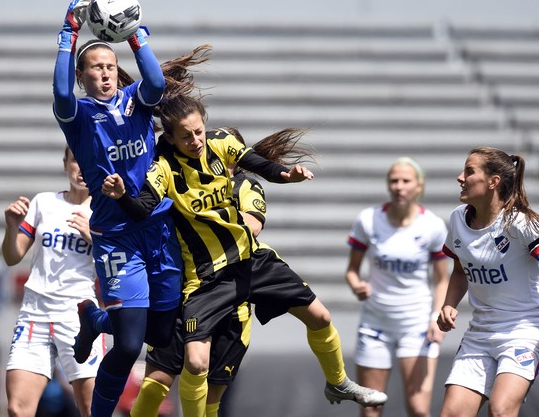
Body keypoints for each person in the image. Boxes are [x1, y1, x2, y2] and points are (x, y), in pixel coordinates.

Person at [100, 44, 388, 416]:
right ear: (169, 137)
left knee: (320, 316)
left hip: (252, 261)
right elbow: (142, 208)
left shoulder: (222, 143)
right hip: (206, 278)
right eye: (186, 136)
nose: (196, 140)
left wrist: (287, 174)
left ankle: (337, 382)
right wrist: (123, 196)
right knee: (195, 363)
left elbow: (259, 165)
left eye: (199, 131)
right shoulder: (164, 167)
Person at [53, 0, 183, 417]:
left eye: (110, 66)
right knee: (129, 346)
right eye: (96, 67)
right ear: (82, 76)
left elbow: (158, 85)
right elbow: (58, 89)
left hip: (158, 227)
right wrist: (69, 33)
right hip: (117, 240)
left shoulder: (135, 101)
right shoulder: (78, 114)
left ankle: (95, 320)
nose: (106, 73)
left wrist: (135, 35)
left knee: (160, 334)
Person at [129, 126, 310, 417]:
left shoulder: (245, 186)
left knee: (214, 393)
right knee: (156, 381)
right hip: (180, 292)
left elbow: (252, 226)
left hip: (229, 301)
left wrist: (209, 216)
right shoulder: (181, 179)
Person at [436, 146, 539, 417]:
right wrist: (448, 304)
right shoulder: (458, 219)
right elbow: (459, 270)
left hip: (523, 331)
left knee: (501, 410)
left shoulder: (520, 223)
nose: (460, 177)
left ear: (493, 182)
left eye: (469, 171)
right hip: (479, 333)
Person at [1, 146, 104, 417]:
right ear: (65, 164)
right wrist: (11, 228)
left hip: (78, 315)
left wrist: (94, 237)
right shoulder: (43, 203)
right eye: (75, 161)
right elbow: (13, 256)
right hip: (35, 313)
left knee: (92, 408)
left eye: (89, 162)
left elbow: (119, 262)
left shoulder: (105, 211)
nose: (81, 169)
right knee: (17, 408)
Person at [345, 157, 449, 417]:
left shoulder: (433, 225)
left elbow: (442, 278)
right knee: (371, 408)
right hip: (375, 323)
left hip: (416, 323)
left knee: (418, 409)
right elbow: (351, 271)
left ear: (418, 186)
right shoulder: (368, 220)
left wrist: (436, 316)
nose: (399, 186)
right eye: (394, 181)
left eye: (406, 181)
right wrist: (357, 285)